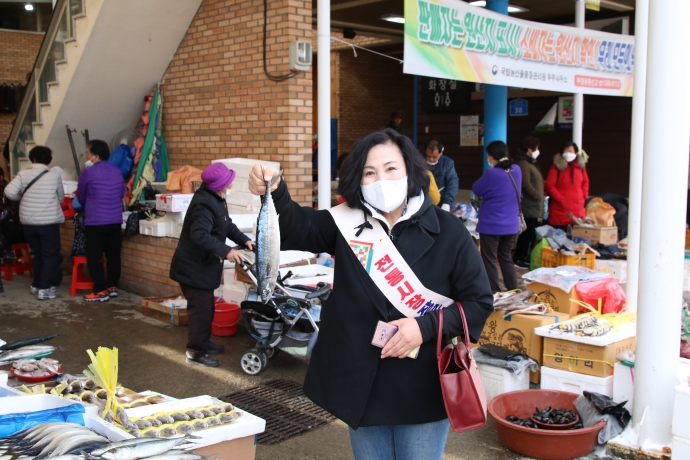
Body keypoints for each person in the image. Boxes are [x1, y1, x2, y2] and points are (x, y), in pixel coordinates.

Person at [248, 129, 493, 460]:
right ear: (357, 181)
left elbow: (478, 304)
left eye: (391, 168)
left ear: (410, 170)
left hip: (423, 387)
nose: (381, 180)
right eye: (369, 172)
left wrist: (424, 327)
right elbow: (294, 226)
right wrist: (273, 189)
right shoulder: (345, 222)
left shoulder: (449, 231)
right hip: (360, 382)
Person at [170, 163, 255, 367]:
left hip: (203, 267)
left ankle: (204, 342)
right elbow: (199, 235)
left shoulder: (216, 199)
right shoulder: (204, 203)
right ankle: (196, 351)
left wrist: (245, 240)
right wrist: (227, 251)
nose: (232, 183)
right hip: (193, 268)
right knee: (201, 311)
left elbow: (226, 225)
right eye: (229, 181)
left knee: (206, 308)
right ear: (221, 184)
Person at [3, 146, 64, 300]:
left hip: (28, 222)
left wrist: (21, 198)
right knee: (50, 255)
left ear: (33, 159)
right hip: (48, 222)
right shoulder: (54, 176)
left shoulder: (22, 174)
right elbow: (61, 198)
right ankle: (45, 288)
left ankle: (36, 284)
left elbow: (9, 192)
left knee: (37, 254)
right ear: (48, 160)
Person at [76, 140, 126, 302]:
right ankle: (112, 286)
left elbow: (81, 197)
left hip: (95, 220)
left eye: (88, 153)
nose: (87, 156)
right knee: (113, 255)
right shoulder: (116, 171)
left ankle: (99, 290)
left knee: (94, 256)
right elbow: (121, 193)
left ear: (96, 156)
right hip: (114, 220)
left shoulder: (87, 173)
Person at [472, 141, 521, 293]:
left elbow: (477, 189)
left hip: (491, 225)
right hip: (511, 224)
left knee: (489, 259)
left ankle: (494, 291)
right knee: (506, 257)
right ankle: (514, 289)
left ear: (492, 157)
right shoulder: (517, 170)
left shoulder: (492, 173)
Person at [512, 136, 544, 268]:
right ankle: (518, 257)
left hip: (535, 205)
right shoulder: (524, 164)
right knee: (526, 233)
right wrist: (537, 195)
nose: (538, 151)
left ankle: (523, 256)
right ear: (530, 150)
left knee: (531, 233)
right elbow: (525, 183)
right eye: (536, 148)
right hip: (528, 205)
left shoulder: (531, 163)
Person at [544, 141, 589, 230]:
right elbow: (549, 185)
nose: (568, 153)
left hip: (578, 209)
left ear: (575, 153)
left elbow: (585, 182)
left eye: (570, 151)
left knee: (577, 240)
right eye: (565, 151)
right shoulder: (556, 167)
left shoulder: (580, 167)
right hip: (560, 210)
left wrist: (584, 195)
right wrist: (560, 198)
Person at [425, 139, 458, 211]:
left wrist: (447, 202)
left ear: (441, 153)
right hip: (423, 201)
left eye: (434, 157)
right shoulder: (419, 161)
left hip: (442, 200)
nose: (431, 159)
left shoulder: (448, 163)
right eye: (428, 156)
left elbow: (452, 182)